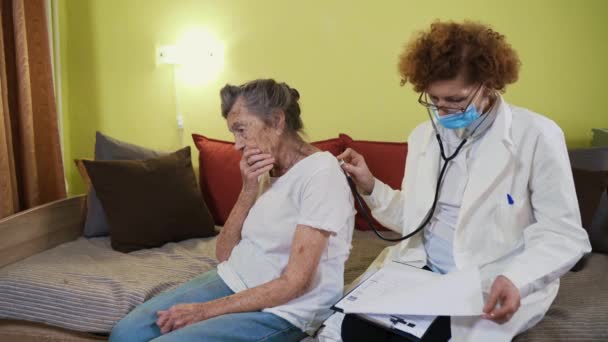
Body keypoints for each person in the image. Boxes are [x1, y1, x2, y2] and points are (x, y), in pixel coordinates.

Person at [337, 21, 591, 341]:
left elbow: (563, 234)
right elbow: (416, 218)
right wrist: (370, 185)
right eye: (434, 99)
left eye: (455, 100)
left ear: (489, 84)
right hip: (422, 273)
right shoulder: (424, 137)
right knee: (356, 329)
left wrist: (517, 278)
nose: (443, 111)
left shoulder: (537, 135)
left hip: (488, 279)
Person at [109, 79, 355, 341]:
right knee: (125, 334)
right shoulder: (264, 166)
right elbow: (224, 254)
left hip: (285, 309)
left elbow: (296, 283)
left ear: (276, 121)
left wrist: (203, 311)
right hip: (233, 280)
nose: (237, 144)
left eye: (241, 129)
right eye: (233, 133)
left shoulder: (321, 173)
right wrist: (247, 189)